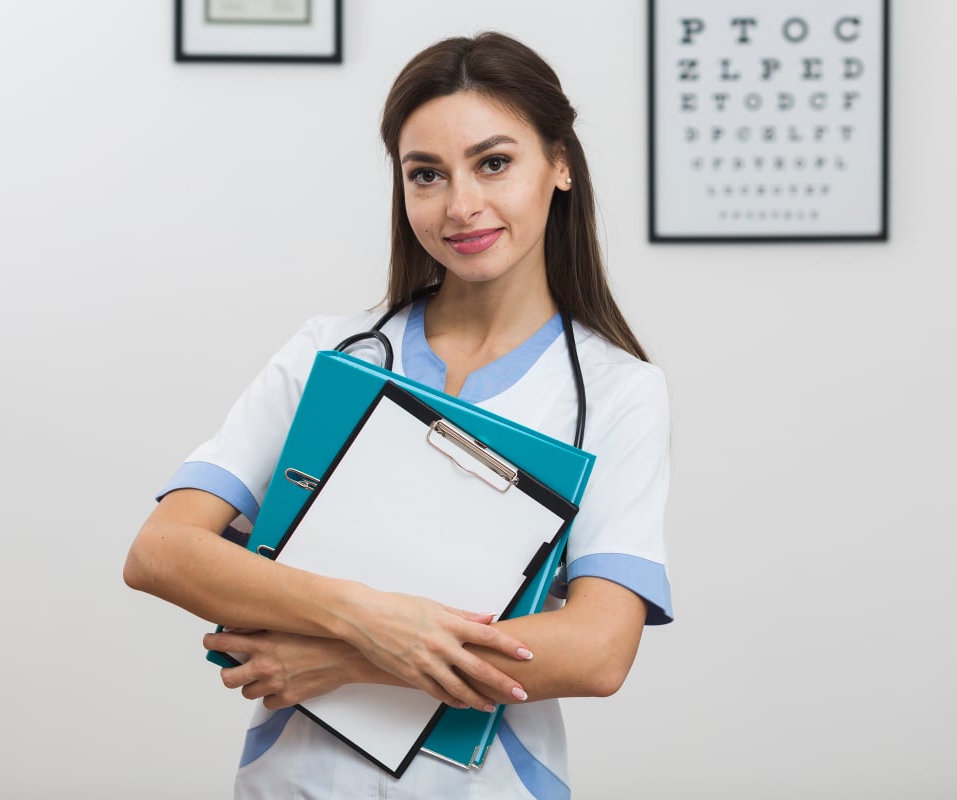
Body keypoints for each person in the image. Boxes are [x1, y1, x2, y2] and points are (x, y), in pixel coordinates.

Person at [124, 31, 672, 799]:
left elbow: (598, 650)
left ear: (560, 164)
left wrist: (348, 657)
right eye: (426, 175)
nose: (461, 205)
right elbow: (163, 552)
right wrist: (367, 617)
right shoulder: (332, 353)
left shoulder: (619, 391)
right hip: (297, 780)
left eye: (494, 162)